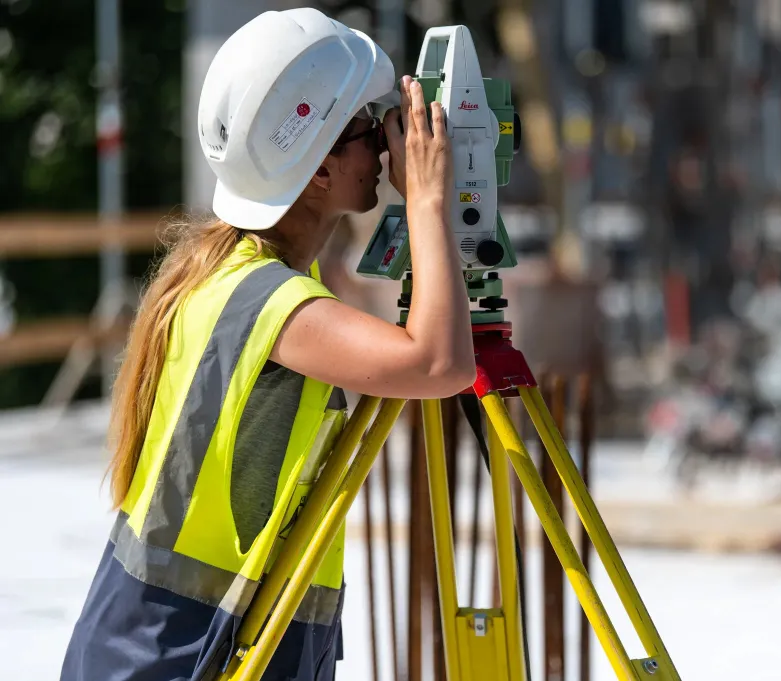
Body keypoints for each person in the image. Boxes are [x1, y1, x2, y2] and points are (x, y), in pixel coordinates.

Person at [60, 8, 474, 681]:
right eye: (370, 128)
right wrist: (426, 201)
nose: (387, 145)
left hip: (168, 643)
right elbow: (438, 362)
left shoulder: (234, 274)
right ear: (317, 170)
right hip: (182, 654)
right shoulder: (271, 304)